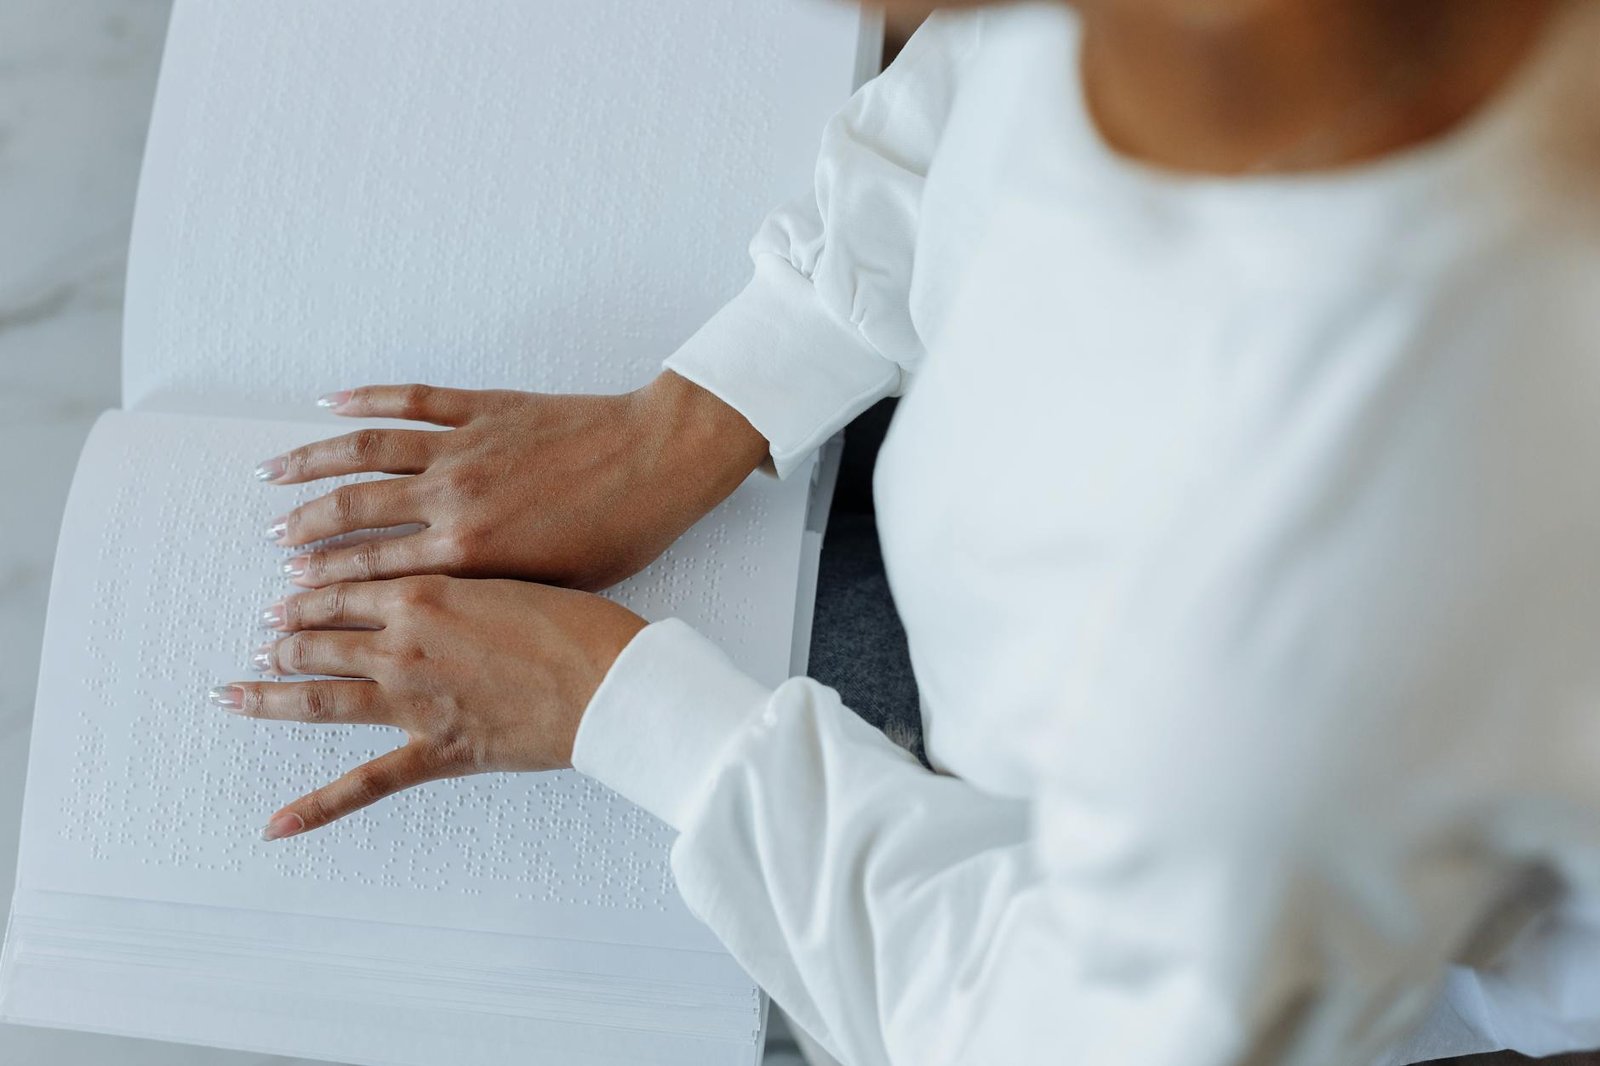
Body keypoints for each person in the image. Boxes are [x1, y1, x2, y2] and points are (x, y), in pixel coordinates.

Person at [210, 0, 1600, 1063]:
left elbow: (1068, 1023)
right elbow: (1004, 83)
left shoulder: (1359, 603)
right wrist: (704, 408)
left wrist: (624, 714)